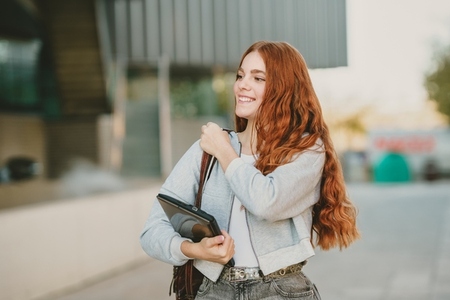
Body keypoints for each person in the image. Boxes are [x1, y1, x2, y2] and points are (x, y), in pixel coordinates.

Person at [140, 40, 360, 299]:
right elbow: (152, 229)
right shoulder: (205, 150)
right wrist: (192, 249)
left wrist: (225, 152)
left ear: (285, 88)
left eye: (258, 78)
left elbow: (266, 202)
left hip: (280, 291)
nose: (242, 84)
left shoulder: (306, 150)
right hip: (213, 291)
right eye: (241, 75)